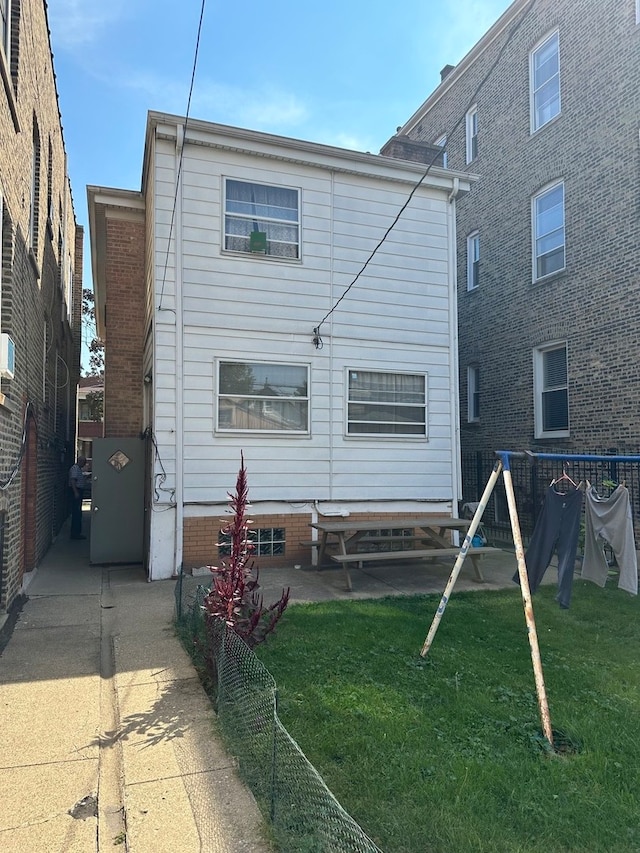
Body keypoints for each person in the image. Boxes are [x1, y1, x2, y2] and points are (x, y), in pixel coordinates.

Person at [69, 455, 87, 540]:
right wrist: (76, 492)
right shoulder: (75, 468)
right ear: (81, 461)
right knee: (76, 513)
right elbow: (73, 480)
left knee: (78, 512)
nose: (85, 464)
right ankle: (75, 534)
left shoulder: (78, 469)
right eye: (84, 462)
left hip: (78, 490)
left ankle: (77, 533)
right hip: (76, 491)